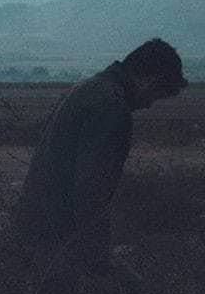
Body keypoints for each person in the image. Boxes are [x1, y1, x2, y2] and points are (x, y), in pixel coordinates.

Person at [15, 38, 188, 274]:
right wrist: (98, 261)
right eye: (157, 95)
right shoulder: (112, 107)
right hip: (58, 240)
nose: (149, 105)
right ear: (150, 80)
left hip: (36, 229)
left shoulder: (88, 88)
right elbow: (92, 190)